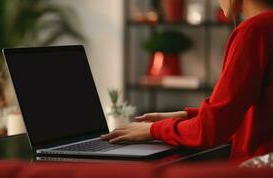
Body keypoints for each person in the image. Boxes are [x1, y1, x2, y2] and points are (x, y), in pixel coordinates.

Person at [101, 0, 273, 162]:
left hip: (256, 177)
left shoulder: (254, 30)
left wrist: (152, 130)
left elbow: (211, 130)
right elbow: (237, 114)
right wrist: (185, 115)